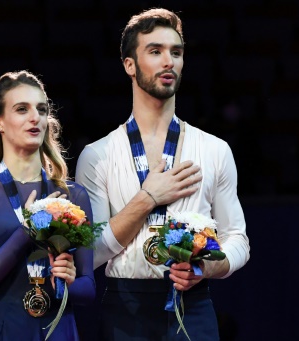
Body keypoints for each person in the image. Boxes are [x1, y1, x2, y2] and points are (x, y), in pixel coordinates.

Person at [75, 8, 250, 341]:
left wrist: (207, 267)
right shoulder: (97, 156)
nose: (169, 61)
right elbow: (91, 254)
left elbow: (238, 240)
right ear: (130, 65)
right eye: (155, 51)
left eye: (176, 52)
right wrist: (147, 198)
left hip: (193, 303)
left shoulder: (214, 150)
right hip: (125, 309)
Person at [0, 70, 96, 340]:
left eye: (42, 110)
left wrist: (65, 284)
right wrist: (29, 228)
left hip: (55, 330)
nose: (35, 117)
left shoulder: (73, 195)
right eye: (22, 109)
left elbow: (87, 289)